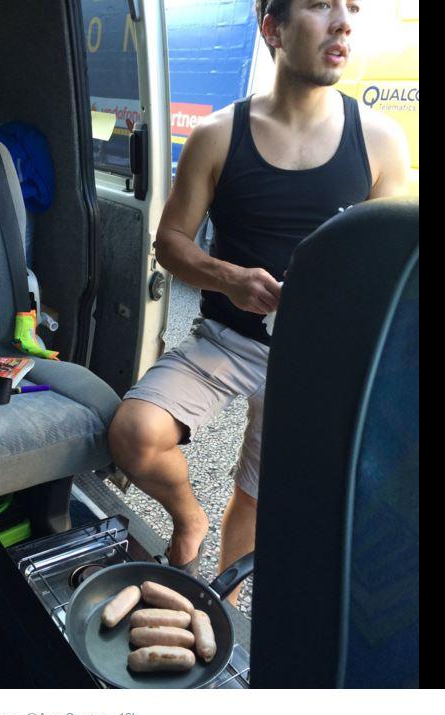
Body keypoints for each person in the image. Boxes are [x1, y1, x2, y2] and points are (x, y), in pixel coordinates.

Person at [108, 0, 410, 605]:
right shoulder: (220, 134)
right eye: (321, 5)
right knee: (135, 433)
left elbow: (384, 269)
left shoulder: (380, 142)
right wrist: (229, 279)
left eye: (351, 7)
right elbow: (170, 243)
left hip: (312, 360)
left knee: (256, 498)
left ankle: (224, 606)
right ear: (271, 27)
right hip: (225, 341)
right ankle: (188, 516)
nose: (344, 22)